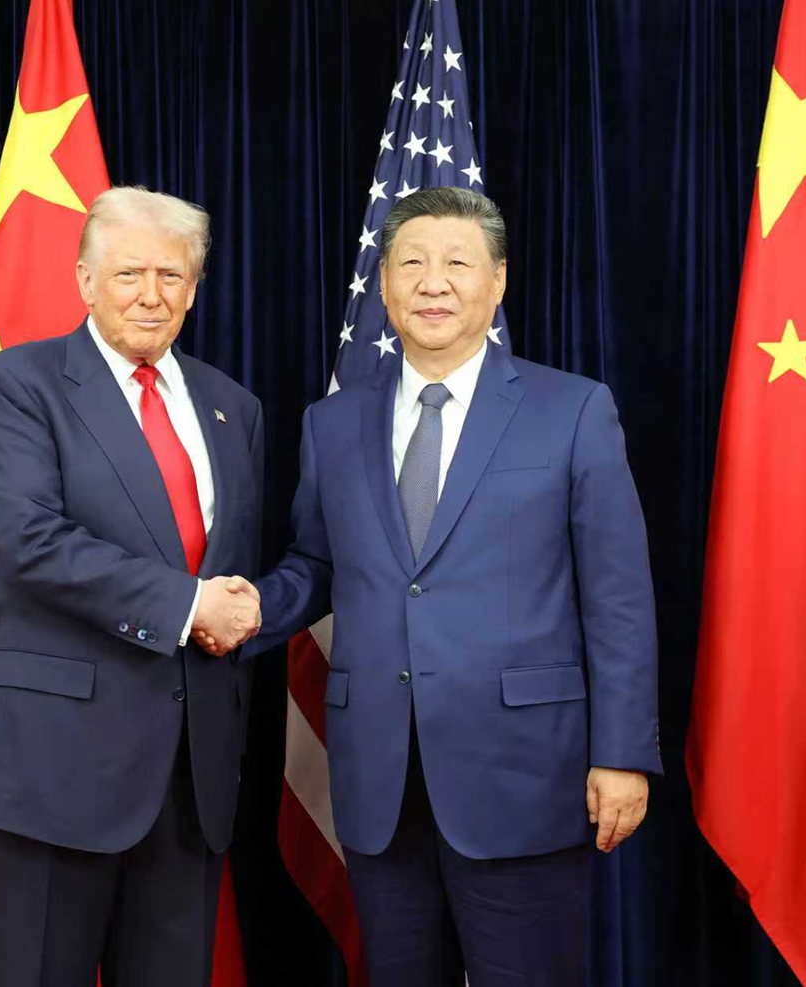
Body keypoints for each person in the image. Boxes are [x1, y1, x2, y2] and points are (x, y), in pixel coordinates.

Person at [222, 187, 660, 985]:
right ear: (383, 284)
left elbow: (619, 596)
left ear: (496, 282)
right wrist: (251, 607)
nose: (433, 282)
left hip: (524, 772)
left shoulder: (572, 410)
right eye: (412, 263)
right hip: (379, 778)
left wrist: (624, 752)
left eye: (457, 262)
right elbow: (319, 566)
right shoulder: (334, 423)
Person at [0, 186, 264, 987]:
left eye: (171, 274)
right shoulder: (19, 386)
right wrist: (192, 605)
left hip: (191, 778)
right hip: (54, 764)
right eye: (129, 273)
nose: (151, 294)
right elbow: (31, 544)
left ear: (194, 288)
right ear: (85, 279)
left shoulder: (236, 408)